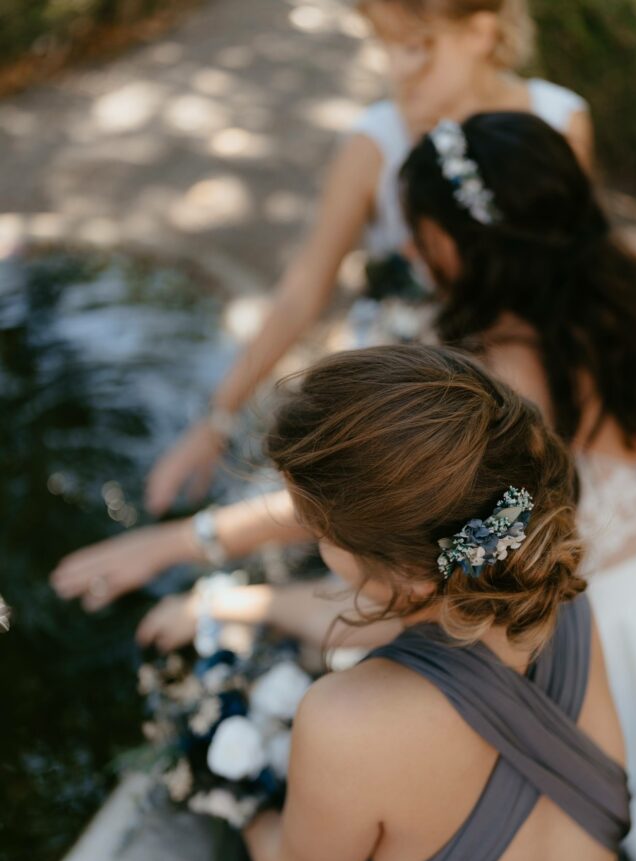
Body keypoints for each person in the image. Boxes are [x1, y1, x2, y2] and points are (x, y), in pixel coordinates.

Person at [145, 346, 636, 861]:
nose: (311, 536)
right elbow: (423, 628)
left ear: (406, 576)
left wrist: (239, 803)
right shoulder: (559, 600)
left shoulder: (348, 720)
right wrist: (235, 603)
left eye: (315, 525)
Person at [142, 0, 591, 516]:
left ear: (482, 33)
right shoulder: (374, 141)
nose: (396, 71)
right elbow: (302, 290)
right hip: (400, 374)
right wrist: (216, 420)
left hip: (519, 369)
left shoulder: (561, 121)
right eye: (384, 44)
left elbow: (568, 270)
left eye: (417, 46)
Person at [398, 110, 636, 861]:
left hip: (616, 643)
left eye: (416, 229)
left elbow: (462, 557)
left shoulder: (498, 379)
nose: (405, 248)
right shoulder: (628, 306)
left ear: (459, 245)